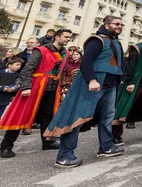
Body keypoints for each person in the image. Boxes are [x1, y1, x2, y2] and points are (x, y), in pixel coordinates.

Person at [44, 17, 125, 168]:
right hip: (92, 84)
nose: (120, 26)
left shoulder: (115, 42)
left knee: (107, 118)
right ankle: (64, 156)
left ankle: (106, 147)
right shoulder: (97, 40)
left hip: (110, 85)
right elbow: (86, 61)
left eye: (121, 24)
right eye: (116, 24)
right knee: (77, 117)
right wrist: (91, 80)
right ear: (106, 25)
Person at [0, 29, 72, 158]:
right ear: (56, 37)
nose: (68, 39)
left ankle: (47, 142)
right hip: (35, 87)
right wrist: (26, 87)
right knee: (21, 114)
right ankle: (6, 146)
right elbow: (28, 69)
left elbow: (62, 71)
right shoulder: (41, 50)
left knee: (48, 116)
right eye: (66, 37)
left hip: (52, 89)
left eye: (69, 37)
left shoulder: (65, 53)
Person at [112, 27, 142, 145]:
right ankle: (115, 135)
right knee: (125, 106)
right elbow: (130, 67)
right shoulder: (137, 48)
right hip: (136, 82)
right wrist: (130, 82)